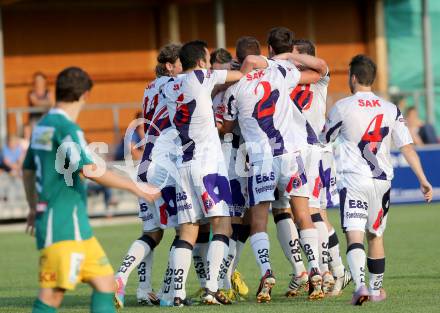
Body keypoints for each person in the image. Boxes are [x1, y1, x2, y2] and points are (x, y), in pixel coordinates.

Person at [22, 66, 160, 313]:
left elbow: (28, 170)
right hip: (62, 224)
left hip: (76, 226)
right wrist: (135, 187)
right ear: (85, 95)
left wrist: (33, 207)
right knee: (52, 295)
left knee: (106, 283)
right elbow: (89, 170)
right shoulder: (67, 129)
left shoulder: (43, 125)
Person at [219, 33, 325, 302]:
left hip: (260, 159)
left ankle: (267, 274)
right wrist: (287, 57)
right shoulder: (281, 71)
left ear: (238, 59)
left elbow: (227, 129)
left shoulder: (235, 88)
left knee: (258, 222)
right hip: (290, 154)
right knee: (302, 216)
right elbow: (318, 72)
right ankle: (314, 270)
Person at [321, 55, 433, 305]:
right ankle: (375, 290)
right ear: (372, 79)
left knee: (355, 235)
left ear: (353, 78)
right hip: (382, 183)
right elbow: (407, 147)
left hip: (353, 180)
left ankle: (359, 286)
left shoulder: (342, 106)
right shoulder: (391, 109)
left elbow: (324, 138)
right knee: (376, 236)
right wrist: (423, 180)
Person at [163, 40, 247, 306]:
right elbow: (239, 75)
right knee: (221, 224)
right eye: (208, 60)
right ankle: (211, 288)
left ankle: (177, 294)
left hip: (182, 165)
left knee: (187, 231)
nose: (210, 64)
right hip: (208, 165)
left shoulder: (169, 85)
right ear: (200, 62)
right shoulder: (202, 76)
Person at [113, 43, 183, 309]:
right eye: (180, 63)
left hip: (146, 163)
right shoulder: (173, 86)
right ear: (169, 66)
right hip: (164, 166)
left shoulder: (150, 87)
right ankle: (169, 292)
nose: (184, 67)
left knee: (152, 232)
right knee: (184, 229)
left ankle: (135, 285)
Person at [291, 38, 351, 296]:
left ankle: (334, 270)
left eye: (294, 56)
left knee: (313, 212)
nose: (289, 60)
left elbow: (322, 65)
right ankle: (333, 270)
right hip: (305, 153)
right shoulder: (289, 80)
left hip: (316, 153)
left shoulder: (319, 77)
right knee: (313, 214)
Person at [211, 48, 250, 301]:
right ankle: (222, 279)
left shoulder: (234, 88)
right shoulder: (210, 92)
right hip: (226, 160)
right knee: (230, 221)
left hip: (241, 158)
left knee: (244, 221)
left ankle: (229, 271)